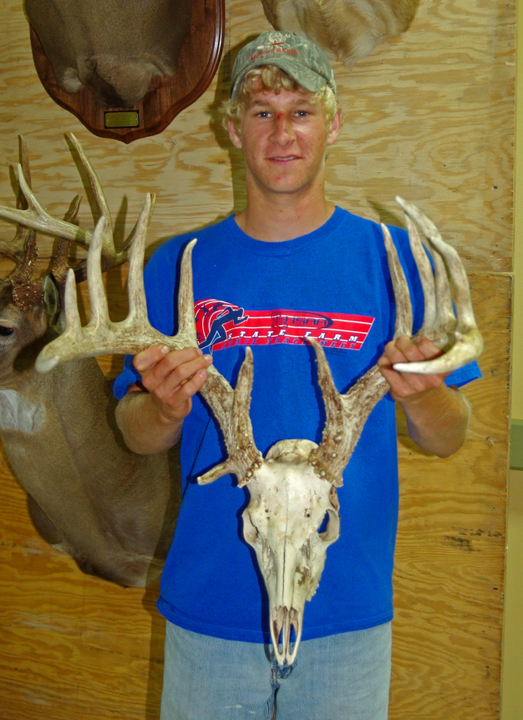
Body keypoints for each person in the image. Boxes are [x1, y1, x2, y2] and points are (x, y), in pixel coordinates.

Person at [113, 31, 480, 720]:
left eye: (301, 111)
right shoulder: (177, 266)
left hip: (346, 615)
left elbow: (449, 436)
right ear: (232, 129)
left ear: (332, 124)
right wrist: (160, 409)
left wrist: (425, 397)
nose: (282, 132)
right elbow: (134, 433)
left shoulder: (397, 262)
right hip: (210, 610)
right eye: (262, 112)